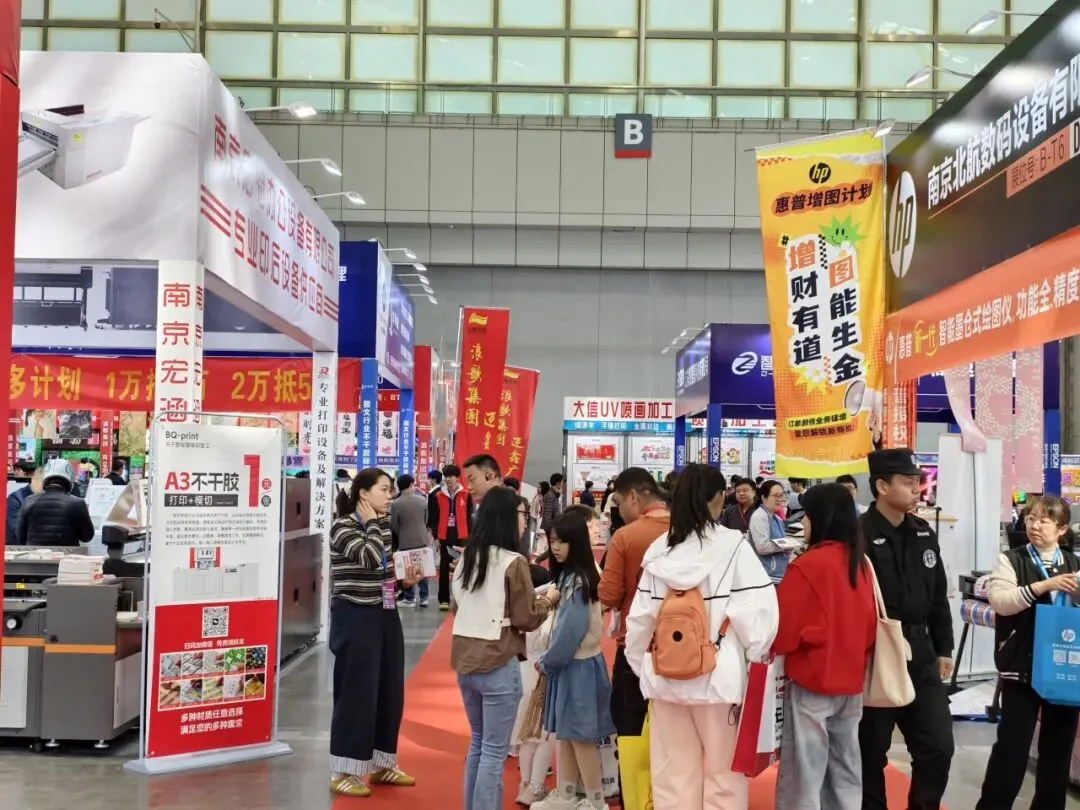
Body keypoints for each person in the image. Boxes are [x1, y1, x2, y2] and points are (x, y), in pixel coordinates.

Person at [624, 463, 778, 810]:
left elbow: (640, 621)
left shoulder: (659, 551)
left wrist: (644, 666)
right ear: (719, 497)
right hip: (719, 678)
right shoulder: (733, 547)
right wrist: (752, 661)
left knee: (672, 774)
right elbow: (759, 616)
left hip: (665, 677)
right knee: (724, 776)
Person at [451, 486, 558, 810]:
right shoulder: (513, 562)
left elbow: (459, 607)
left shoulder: (467, 558)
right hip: (498, 662)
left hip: (466, 660)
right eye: (523, 515)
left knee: (478, 745)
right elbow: (526, 618)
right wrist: (548, 602)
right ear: (509, 518)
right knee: (494, 752)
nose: (526, 522)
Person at [859, 448, 954, 810]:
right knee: (869, 751)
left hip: (921, 653)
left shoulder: (923, 533)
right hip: (876, 654)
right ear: (882, 486)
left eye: (918, 481)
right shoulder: (858, 535)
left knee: (938, 747)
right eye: (908, 482)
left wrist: (944, 648)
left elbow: (938, 596)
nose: (917, 489)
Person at [773, 483, 877, 810]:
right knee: (845, 767)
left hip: (812, 680)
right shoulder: (860, 563)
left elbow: (783, 633)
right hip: (851, 682)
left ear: (822, 518)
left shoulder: (807, 566)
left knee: (804, 773)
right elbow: (870, 626)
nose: (803, 523)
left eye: (807, 516)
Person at [977, 495, 1080, 810]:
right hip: (1021, 666)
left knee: (1057, 752)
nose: (1034, 525)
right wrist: (1043, 586)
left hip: (1063, 667)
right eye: (1031, 518)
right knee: (1012, 750)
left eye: (1043, 521)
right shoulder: (1011, 559)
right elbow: (1001, 603)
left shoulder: (1073, 563)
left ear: (1061, 529)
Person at [328, 468, 416, 798]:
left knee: (389, 689)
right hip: (355, 616)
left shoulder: (381, 526)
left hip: (385, 613)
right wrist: (374, 524)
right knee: (357, 692)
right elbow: (368, 558)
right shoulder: (343, 527)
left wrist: (404, 580)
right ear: (363, 494)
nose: (390, 496)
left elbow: (383, 572)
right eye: (383, 490)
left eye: (391, 490)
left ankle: (381, 763)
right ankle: (343, 770)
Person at [531, 512, 615, 810]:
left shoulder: (577, 580)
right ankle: (567, 795)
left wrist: (548, 661)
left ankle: (595, 802)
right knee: (566, 735)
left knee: (579, 738)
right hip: (572, 665)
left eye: (562, 541)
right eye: (553, 540)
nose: (555, 547)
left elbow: (571, 631)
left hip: (577, 666)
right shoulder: (572, 575)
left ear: (576, 542)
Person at [597, 468, 669, 743]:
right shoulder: (685, 530)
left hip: (636, 645)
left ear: (633, 497)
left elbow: (608, 595)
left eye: (618, 502)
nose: (618, 509)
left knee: (631, 728)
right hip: (684, 645)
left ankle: (633, 774)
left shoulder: (626, 536)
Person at [17, 459, 94, 547]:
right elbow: (87, 537)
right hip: (68, 554)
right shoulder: (78, 503)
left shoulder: (29, 501)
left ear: (44, 478)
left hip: (35, 554)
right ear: (70, 479)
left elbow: (20, 537)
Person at [429, 463, 473, 611]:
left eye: (451, 476)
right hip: (444, 534)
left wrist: (471, 537)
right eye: (446, 477)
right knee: (443, 567)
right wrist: (435, 536)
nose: (448, 479)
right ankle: (443, 599)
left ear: (458, 478)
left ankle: (464, 598)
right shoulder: (438, 495)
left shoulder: (466, 495)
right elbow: (434, 518)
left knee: (463, 567)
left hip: (462, 535)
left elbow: (470, 517)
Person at [390, 474, 431, 608]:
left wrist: (402, 532)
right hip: (422, 537)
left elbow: (394, 525)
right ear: (411, 484)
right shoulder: (422, 500)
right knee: (423, 568)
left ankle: (410, 598)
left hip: (405, 540)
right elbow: (426, 519)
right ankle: (424, 598)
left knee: (408, 568)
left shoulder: (396, 503)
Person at [748, 479, 790, 582]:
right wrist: (785, 546)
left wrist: (788, 546)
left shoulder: (777, 518)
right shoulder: (759, 516)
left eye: (781, 495)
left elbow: (781, 541)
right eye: (775, 496)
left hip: (778, 573)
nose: (779, 499)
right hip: (765, 575)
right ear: (763, 498)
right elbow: (762, 547)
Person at [6, 462, 41, 546]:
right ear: (33, 479)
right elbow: (17, 529)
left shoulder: (49, 496)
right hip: (18, 545)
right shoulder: (16, 498)